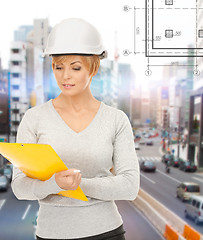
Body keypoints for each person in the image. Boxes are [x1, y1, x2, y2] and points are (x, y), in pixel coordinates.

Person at [11, 18, 140, 240]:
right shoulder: (34, 118)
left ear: (94, 67)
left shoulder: (116, 120)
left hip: (106, 232)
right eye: (58, 67)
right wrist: (55, 183)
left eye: (76, 67)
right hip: (51, 234)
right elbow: (20, 187)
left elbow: (129, 186)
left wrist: (79, 185)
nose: (65, 76)